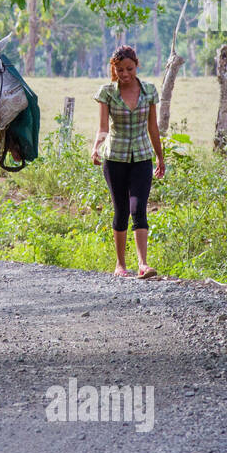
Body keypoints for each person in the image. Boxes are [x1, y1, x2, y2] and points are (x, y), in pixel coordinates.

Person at [91, 45, 166, 279]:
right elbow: (103, 127)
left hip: (142, 157)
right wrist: (96, 147)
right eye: (120, 70)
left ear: (137, 65)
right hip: (115, 158)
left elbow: (153, 127)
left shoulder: (149, 91)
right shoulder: (107, 92)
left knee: (138, 208)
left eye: (129, 69)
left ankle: (143, 264)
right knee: (121, 210)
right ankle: (120, 265)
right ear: (114, 69)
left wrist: (160, 157)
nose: (125, 74)